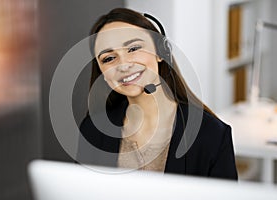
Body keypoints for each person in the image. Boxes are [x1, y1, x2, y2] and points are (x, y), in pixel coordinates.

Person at [76, 7, 238, 180]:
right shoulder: (93, 129)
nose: (123, 65)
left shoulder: (211, 135)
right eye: (109, 58)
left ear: (161, 52)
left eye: (133, 48)